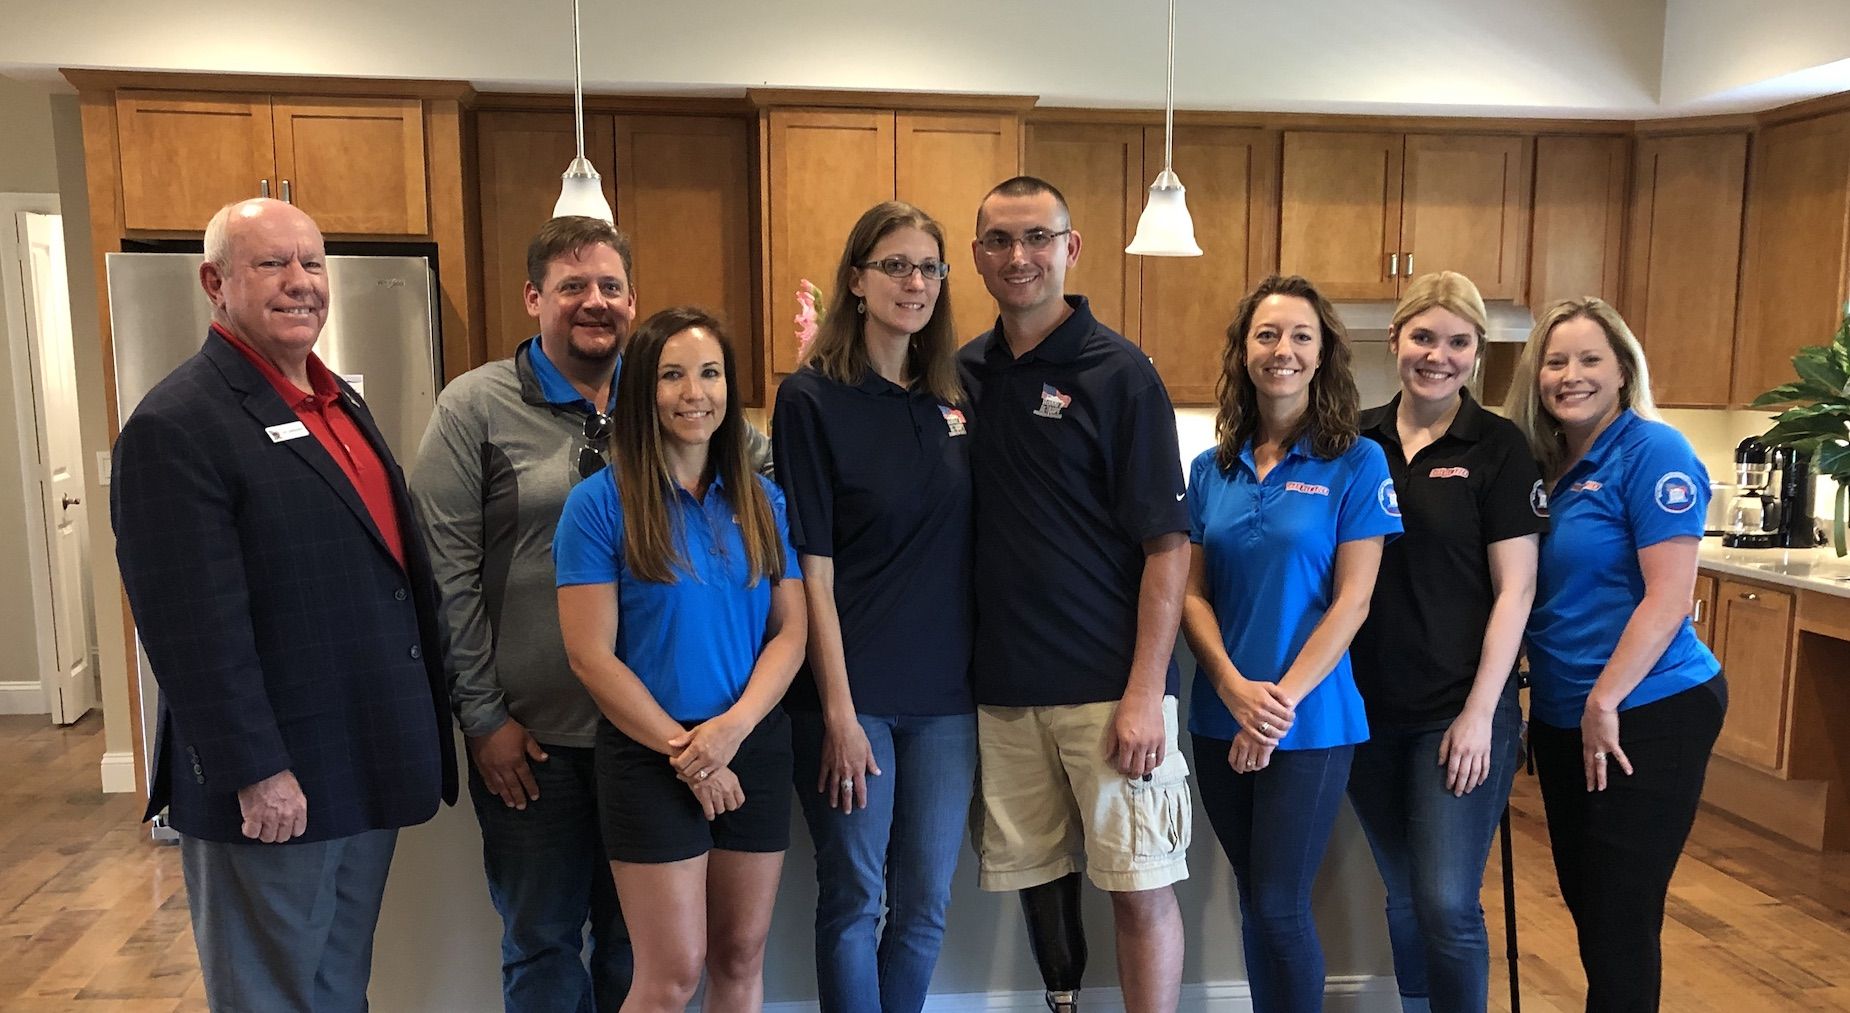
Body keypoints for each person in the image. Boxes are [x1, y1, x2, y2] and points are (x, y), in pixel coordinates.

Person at [111, 197, 456, 1010]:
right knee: (271, 995)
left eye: (311, 262)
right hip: (276, 784)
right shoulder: (178, 423)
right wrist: (257, 771)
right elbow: (192, 628)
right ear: (215, 282)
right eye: (272, 264)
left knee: (337, 987)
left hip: (358, 764)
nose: (301, 282)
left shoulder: (339, 403)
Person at [958, 176, 1192, 1013]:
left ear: (1071, 247)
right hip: (1004, 689)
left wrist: (1144, 692)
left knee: (1138, 884)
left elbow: (1169, 548)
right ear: (976, 254)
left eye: (1037, 238)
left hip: (1108, 688)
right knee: (1040, 878)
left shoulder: (1119, 374)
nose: (1018, 257)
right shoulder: (966, 375)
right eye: (999, 241)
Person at [411, 215, 644, 1011]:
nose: (595, 302)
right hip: (533, 743)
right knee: (542, 942)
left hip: (650, 735)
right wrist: (481, 717)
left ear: (633, 301)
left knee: (639, 947)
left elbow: (755, 467)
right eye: (573, 285)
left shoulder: (660, 395)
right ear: (533, 297)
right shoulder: (474, 407)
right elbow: (447, 574)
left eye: (611, 286)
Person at [554, 306, 805, 1013]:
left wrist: (730, 734)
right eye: (672, 375)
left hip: (750, 743)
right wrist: (689, 753)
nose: (695, 392)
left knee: (739, 956)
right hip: (648, 753)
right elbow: (590, 655)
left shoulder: (763, 501)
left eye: (710, 373)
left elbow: (791, 633)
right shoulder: (598, 506)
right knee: (670, 975)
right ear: (643, 391)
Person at [771, 201, 976, 1013]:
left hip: (946, 701)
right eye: (894, 265)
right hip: (850, 699)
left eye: (929, 266)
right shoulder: (812, 400)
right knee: (856, 899)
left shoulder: (952, 401)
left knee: (924, 906)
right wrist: (839, 713)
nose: (914, 282)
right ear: (855, 280)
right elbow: (810, 570)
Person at [1180, 274, 1400, 1013]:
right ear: (1244, 352)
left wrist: (1274, 708)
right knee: (1254, 900)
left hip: (1312, 724)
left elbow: (1354, 600)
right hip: (1218, 718)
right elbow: (1190, 593)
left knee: (1278, 902)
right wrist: (1234, 691)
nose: (1283, 350)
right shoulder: (1209, 469)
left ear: (1322, 353)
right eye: (1267, 335)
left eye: (1300, 336)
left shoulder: (1357, 462)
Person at [1506, 298, 1726, 1013]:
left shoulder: (1652, 452)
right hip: (1567, 714)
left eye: (1590, 358)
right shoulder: (1544, 465)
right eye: (1556, 360)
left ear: (1624, 371)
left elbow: (1668, 598)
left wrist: (1605, 701)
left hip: (1650, 708)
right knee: (1590, 905)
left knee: (1623, 914)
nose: (1571, 375)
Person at [1347, 272, 1545, 1013]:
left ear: (1476, 352)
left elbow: (1516, 590)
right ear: (1396, 341)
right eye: (1424, 336)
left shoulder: (1497, 447)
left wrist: (1478, 715)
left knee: (1445, 899)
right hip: (1366, 713)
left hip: (1460, 709)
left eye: (1458, 341)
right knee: (1402, 894)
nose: (1439, 355)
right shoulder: (1353, 439)